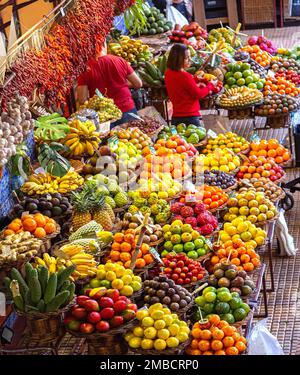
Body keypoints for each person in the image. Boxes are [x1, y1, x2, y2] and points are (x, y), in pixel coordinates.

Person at [77, 41, 142, 127]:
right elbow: (138, 84)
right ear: (104, 45)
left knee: (109, 139)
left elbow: (82, 100)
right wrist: (121, 84)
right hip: (127, 109)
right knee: (133, 138)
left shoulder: (85, 69)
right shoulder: (119, 60)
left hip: (104, 117)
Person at [164, 43, 216, 127]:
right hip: (190, 117)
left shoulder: (168, 73)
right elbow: (198, 94)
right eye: (187, 58)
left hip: (176, 117)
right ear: (178, 60)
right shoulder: (185, 76)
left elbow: (180, 86)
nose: (190, 60)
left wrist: (195, 79)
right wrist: (211, 85)